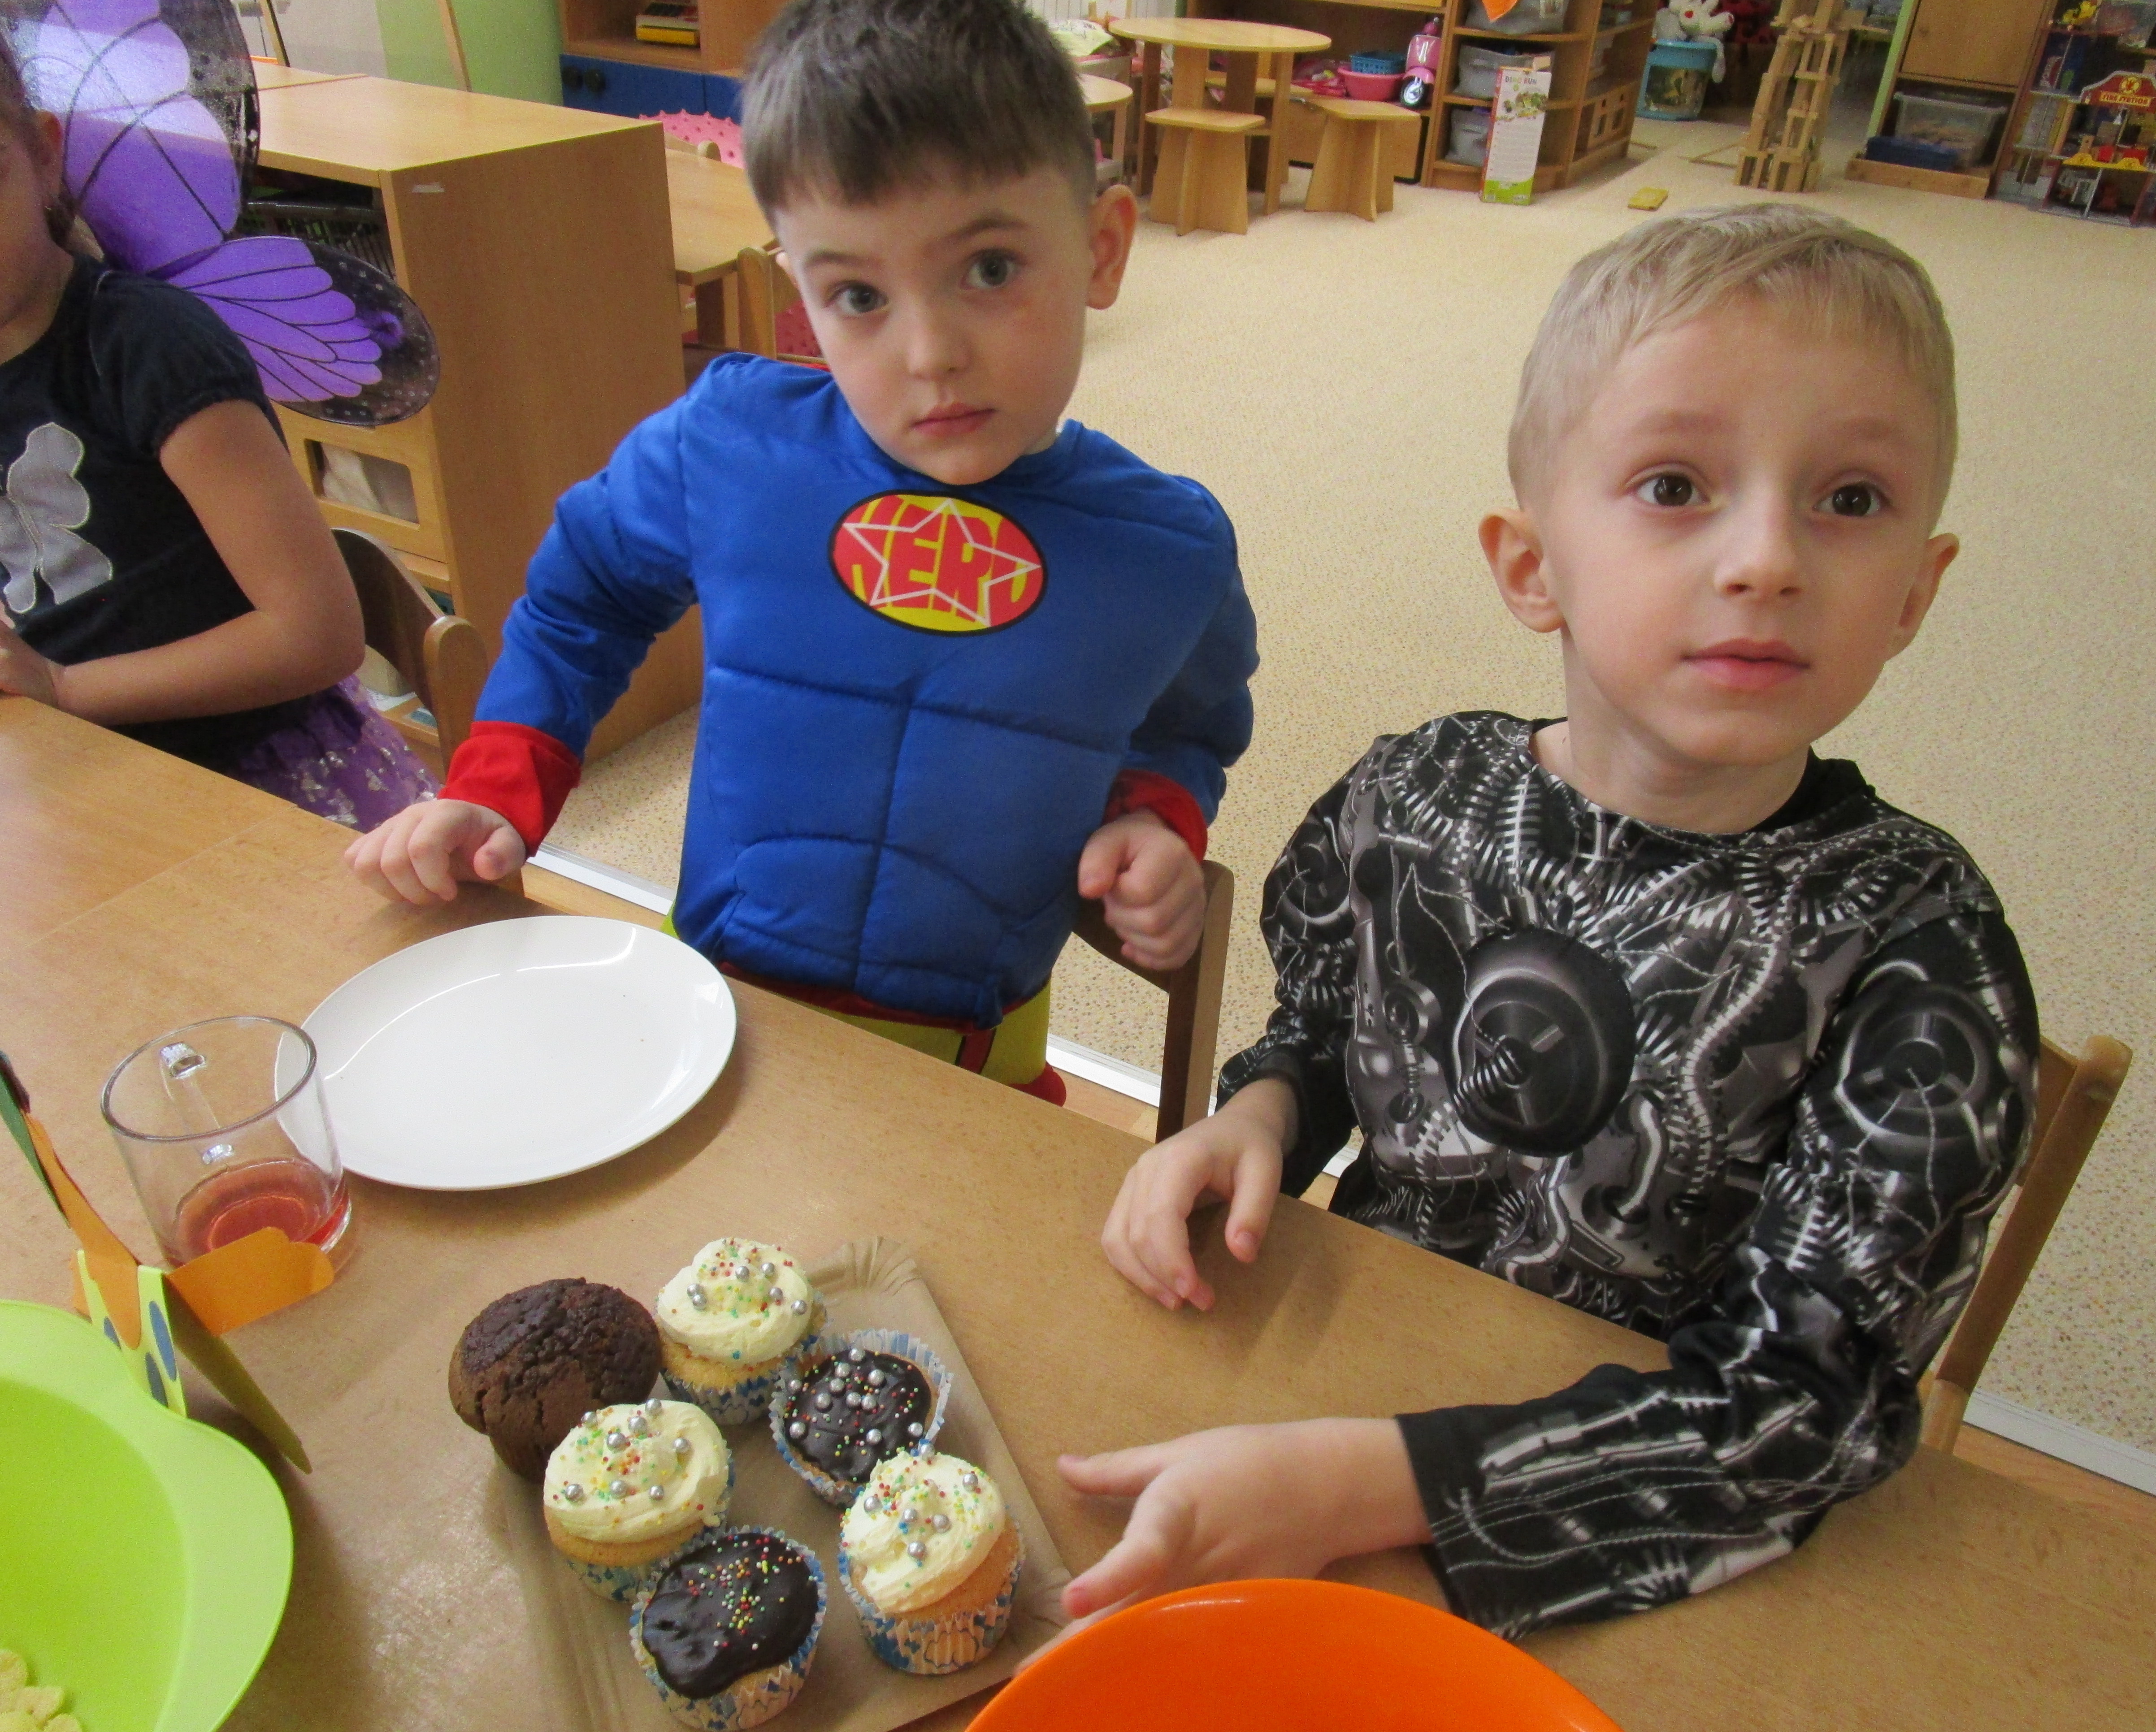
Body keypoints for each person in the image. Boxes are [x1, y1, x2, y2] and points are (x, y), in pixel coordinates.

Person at [1078, 205, 2039, 1636]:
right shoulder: (1414, 799)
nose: (1768, 558)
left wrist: (1358, 1487)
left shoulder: (1922, 954)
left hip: (1642, 1535)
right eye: (1676, 485)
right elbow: (1331, 1026)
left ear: (1916, 591)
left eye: (1850, 499)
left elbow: (1801, 1406)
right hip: (1334, 1368)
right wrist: (1263, 1116)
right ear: (1532, 567)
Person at [346, 0, 1256, 1102]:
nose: (929, 354)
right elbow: (583, 597)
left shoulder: (1168, 553)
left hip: (979, 1086)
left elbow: (1187, 727)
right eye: (858, 296)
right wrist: (499, 786)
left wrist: (1155, 818)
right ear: (802, 301)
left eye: (989, 269)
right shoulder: (728, 445)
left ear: (1101, 249)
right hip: (704, 1034)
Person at [0, 49, 431, 831]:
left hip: (255, 781)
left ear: (43, 152)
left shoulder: (148, 347)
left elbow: (317, 634)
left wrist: (62, 690)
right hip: (78, 779)